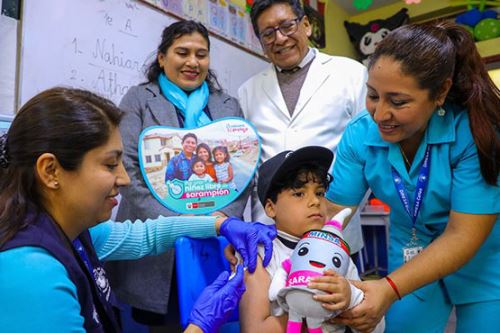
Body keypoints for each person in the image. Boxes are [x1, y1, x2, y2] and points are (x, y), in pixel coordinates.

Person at [0, 88, 276, 333]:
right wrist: (200, 327)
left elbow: (147, 235)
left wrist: (221, 225)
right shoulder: (33, 276)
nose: (125, 178)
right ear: (51, 171)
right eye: (110, 165)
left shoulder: (73, 234)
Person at [325, 22, 500, 333]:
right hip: (410, 249)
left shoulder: (474, 134)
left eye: (398, 101)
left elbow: (463, 235)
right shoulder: (360, 135)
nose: (379, 114)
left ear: (440, 92)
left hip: (483, 256)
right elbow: (332, 215)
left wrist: (389, 289)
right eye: (373, 95)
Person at [105, 20, 252, 325]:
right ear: (162, 57)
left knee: (215, 316)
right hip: (153, 247)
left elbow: (243, 170)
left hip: (215, 238)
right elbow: (127, 166)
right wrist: (181, 223)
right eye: (182, 52)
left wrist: (217, 221)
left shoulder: (227, 106)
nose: (192, 62)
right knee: (163, 324)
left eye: (201, 54)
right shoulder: (139, 99)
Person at [238, 0, 367, 258]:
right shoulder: (247, 92)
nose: (280, 38)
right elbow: (247, 167)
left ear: (306, 25)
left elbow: (367, 152)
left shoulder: (351, 74)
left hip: (334, 228)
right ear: (261, 41)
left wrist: (341, 213)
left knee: (338, 297)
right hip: (270, 234)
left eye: (287, 26)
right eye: (268, 33)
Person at [239, 146, 385, 333]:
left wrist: (350, 298)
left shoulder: (337, 251)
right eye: (299, 194)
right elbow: (254, 330)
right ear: (270, 208)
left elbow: (376, 326)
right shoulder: (259, 254)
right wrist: (314, 310)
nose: (315, 201)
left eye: (320, 193)